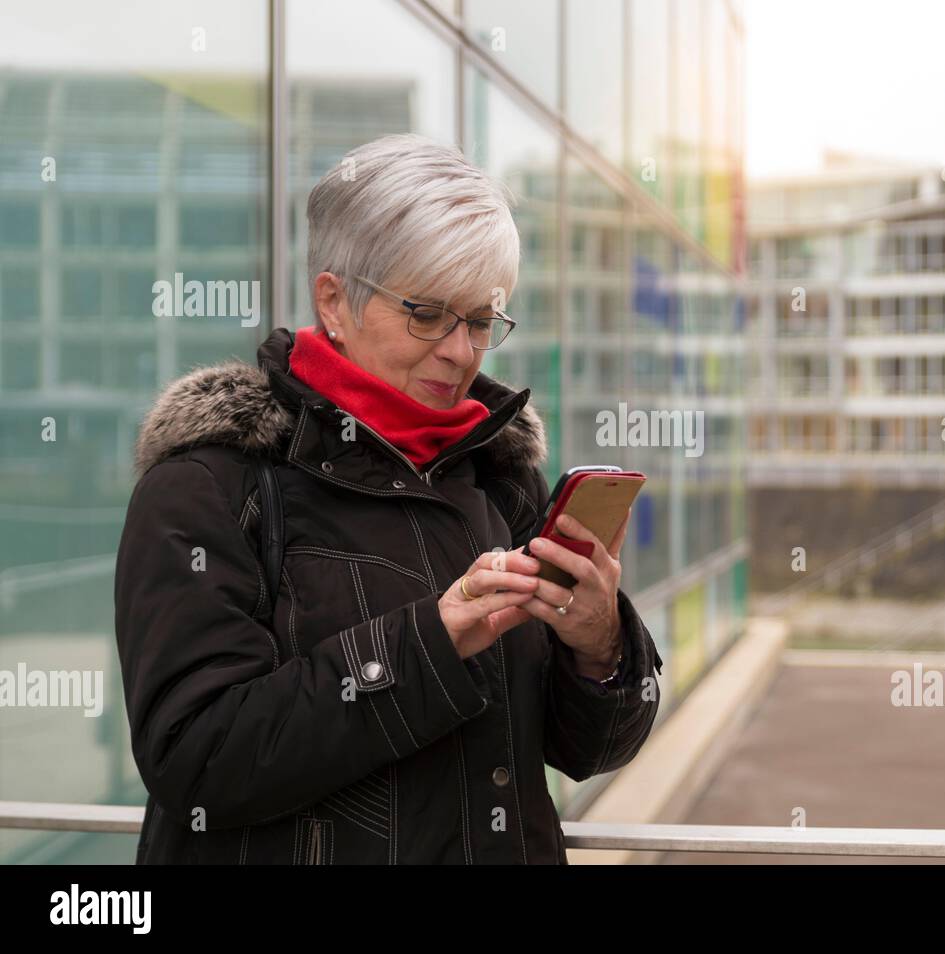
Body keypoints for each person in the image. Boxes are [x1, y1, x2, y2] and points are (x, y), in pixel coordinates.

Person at [114, 134, 662, 864]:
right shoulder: (213, 484)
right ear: (334, 301)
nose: (461, 351)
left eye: (479, 320)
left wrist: (598, 644)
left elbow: (586, 751)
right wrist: (426, 645)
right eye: (427, 314)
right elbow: (196, 762)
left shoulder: (499, 475)